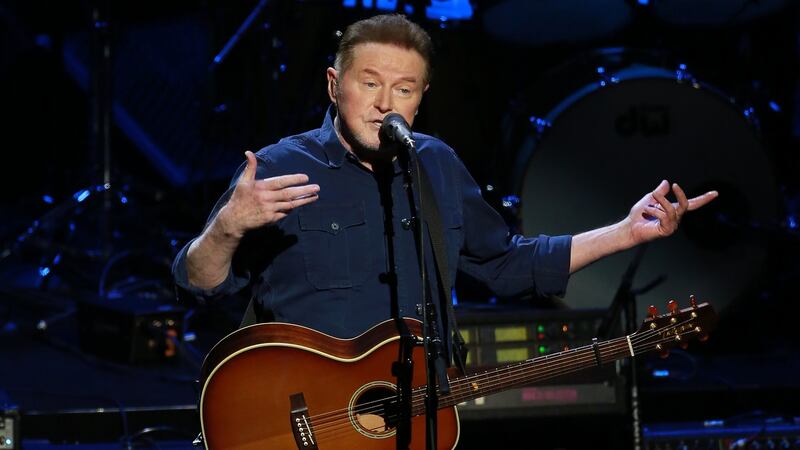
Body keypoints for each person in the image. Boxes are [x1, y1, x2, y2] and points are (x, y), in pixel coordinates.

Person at [171, 14, 717, 344]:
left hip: (413, 419)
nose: (386, 105)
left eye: (404, 90)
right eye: (370, 83)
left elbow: (507, 264)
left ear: (422, 97)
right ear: (335, 85)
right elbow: (196, 283)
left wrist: (627, 231)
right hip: (302, 417)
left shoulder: (435, 165)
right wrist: (225, 229)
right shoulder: (277, 167)